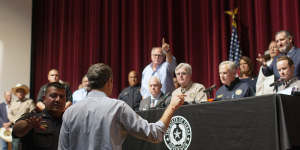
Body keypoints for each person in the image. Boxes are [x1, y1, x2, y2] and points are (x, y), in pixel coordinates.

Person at [58, 63, 185, 150]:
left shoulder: (69, 112)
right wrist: (172, 106)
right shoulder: (117, 108)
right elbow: (154, 134)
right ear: (109, 82)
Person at [12, 82, 66, 150]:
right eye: (53, 96)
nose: (58, 99)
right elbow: (16, 131)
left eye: (62, 97)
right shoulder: (34, 118)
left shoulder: (68, 120)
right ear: (44, 99)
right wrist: (28, 125)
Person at [8, 84, 35, 150]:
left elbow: (33, 113)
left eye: (21, 91)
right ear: (16, 93)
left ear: (25, 93)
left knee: (26, 146)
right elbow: (9, 114)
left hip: (27, 128)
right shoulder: (13, 103)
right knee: (15, 146)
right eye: (18, 91)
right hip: (15, 127)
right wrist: (14, 121)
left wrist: (24, 122)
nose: (20, 93)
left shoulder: (29, 102)